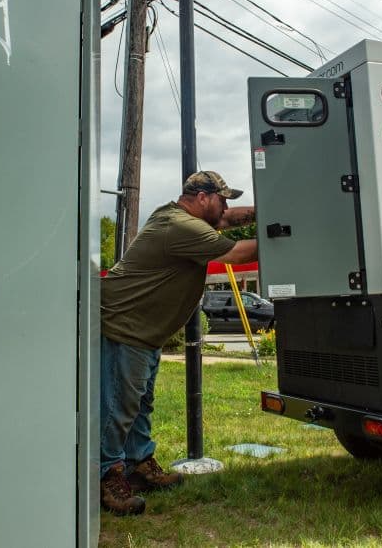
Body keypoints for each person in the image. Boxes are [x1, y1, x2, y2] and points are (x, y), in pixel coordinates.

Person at [99, 170, 257, 515]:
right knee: (118, 408)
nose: (226, 205)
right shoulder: (180, 227)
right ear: (202, 198)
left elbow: (228, 218)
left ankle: (139, 464)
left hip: (145, 331)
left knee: (140, 405)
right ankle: (107, 477)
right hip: (126, 328)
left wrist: (264, 211)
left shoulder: (177, 215)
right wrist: (286, 235)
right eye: (222, 198)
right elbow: (237, 253)